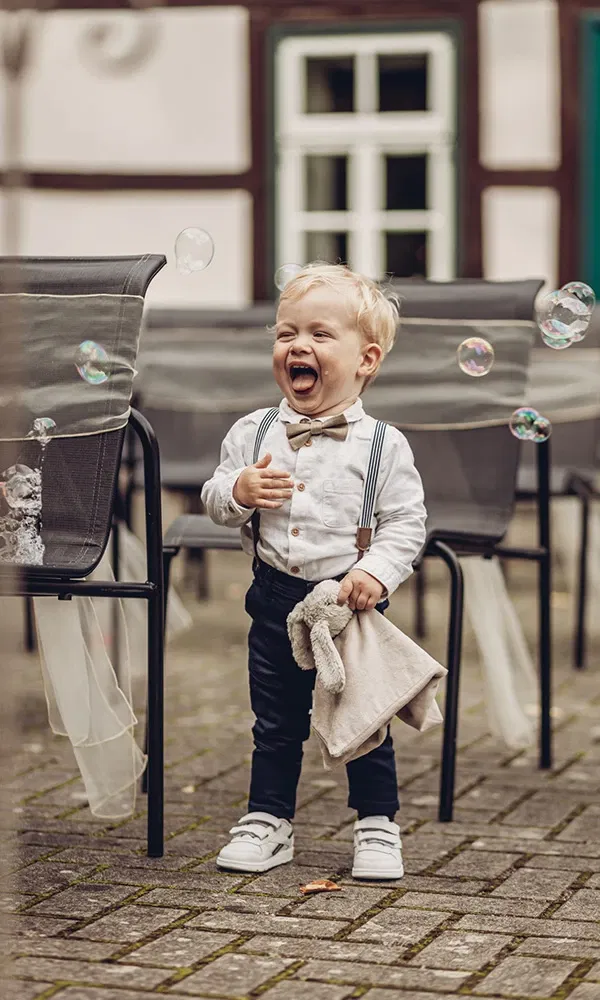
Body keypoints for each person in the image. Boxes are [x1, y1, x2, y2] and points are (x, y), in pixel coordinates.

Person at [201, 263, 427, 880]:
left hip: (346, 606)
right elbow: (216, 500)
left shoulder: (384, 444)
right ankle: (269, 820)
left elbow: (406, 523)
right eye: (286, 334)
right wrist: (240, 491)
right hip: (273, 597)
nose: (298, 345)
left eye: (321, 335)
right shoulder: (253, 431)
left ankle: (377, 824)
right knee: (275, 722)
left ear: (367, 359)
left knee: (365, 720)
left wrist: (378, 573)